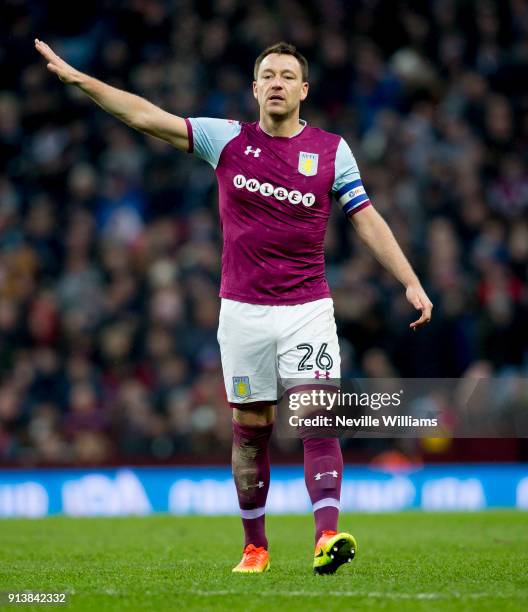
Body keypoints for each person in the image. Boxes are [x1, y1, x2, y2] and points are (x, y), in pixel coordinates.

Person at [35, 39, 433, 574]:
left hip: (307, 308)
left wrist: (409, 279)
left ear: (303, 89)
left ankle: (327, 537)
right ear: (254, 88)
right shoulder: (226, 140)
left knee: (317, 418)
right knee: (252, 429)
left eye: (287, 76)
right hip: (241, 310)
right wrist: (82, 81)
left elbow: (365, 216)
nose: (276, 83)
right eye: (267, 74)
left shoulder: (333, 151)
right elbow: (147, 117)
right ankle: (255, 547)